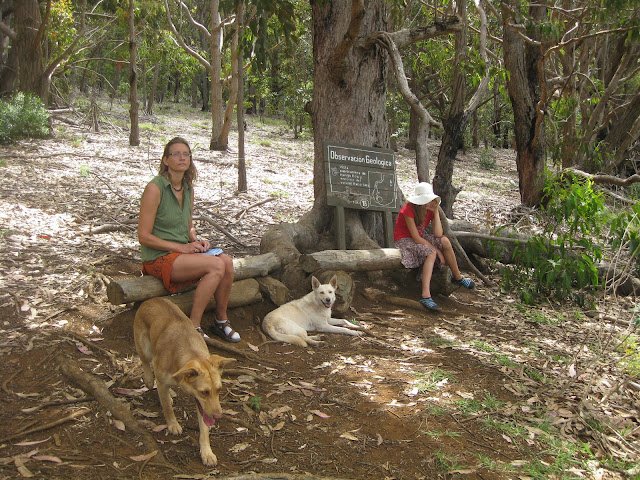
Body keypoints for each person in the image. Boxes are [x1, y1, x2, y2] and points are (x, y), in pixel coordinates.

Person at [138, 137, 241, 342]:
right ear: (166, 160)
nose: (182, 158)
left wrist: (196, 240)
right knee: (215, 266)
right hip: (159, 257)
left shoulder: (187, 188)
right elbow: (143, 236)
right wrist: (181, 248)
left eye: (186, 154)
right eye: (176, 154)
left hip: (181, 253)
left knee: (227, 262)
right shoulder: (155, 188)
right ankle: (193, 327)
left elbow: (188, 225)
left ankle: (221, 321)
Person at [394, 182, 475, 312]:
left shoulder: (430, 210)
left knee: (445, 241)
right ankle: (425, 295)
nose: (429, 202)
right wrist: (437, 251)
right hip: (405, 240)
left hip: (420, 238)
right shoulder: (408, 209)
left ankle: (457, 277)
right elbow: (416, 238)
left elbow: (438, 234)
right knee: (431, 253)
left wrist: (436, 212)